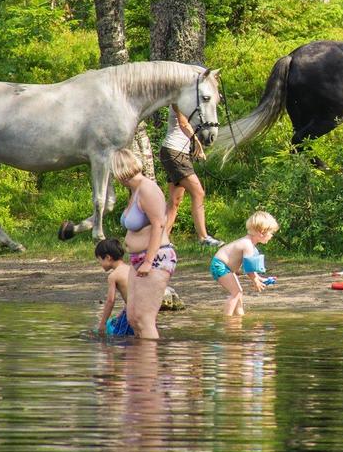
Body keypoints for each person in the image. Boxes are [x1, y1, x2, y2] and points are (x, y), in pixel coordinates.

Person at [112, 148, 177, 339]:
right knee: (133, 318)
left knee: (144, 318)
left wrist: (148, 261)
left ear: (119, 169)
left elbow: (159, 225)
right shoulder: (134, 191)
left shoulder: (147, 189)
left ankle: (149, 364)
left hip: (156, 258)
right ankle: (140, 364)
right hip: (137, 259)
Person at [159, 99, 223, 248]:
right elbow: (183, 124)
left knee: (175, 200)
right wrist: (197, 143)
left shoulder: (193, 102)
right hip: (174, 151)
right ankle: (203, 237)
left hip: (176, 152)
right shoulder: (178, 101)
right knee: (198, 193)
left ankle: (162, 240)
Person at [210, 211, 279, 316]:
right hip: (220, 266)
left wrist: (260, 278)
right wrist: (255, 281)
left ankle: (239, 316)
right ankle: (227, 319)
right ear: (262, 231)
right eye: (271, 233)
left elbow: (251, 267)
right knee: (236, 293)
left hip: (223, 266)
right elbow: (248, 268)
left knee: (239, 293)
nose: (271, 236)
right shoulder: (247, 245)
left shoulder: (250, 244)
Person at [95, 238, 134, 337]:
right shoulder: (131, 268)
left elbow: (110, 301)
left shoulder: (113, 276)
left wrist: (103, 323)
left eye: (99, 260)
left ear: (108, 257)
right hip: (142, 309)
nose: (99, 263)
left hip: (132, 312)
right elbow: (132, 295)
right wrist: (122, 313)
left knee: (120, 338)